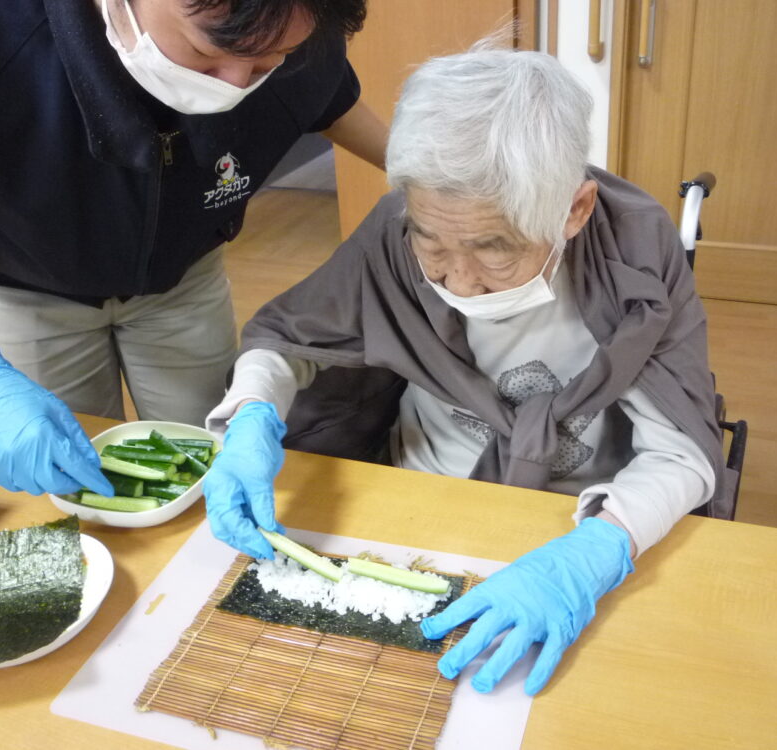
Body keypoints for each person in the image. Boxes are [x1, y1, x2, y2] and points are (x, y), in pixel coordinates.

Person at [202, 42, 731, 696]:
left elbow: (681, 451)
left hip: (578, 517)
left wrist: (596, 553)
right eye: (432, 245)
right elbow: (291, 340)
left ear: (575, 210)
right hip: (418, 499)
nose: (460, 280)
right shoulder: (396, 229)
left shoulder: (637, 255)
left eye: (495, 250)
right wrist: (253, 409)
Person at [0, 0, 386, 498]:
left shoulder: (295, 21)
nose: (235, 83)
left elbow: (327, 98)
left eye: (274, 58)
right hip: (16, 282)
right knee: (66, 478)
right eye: (209, 54)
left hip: (185, 271)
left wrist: (429, 175)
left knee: (208, 463)